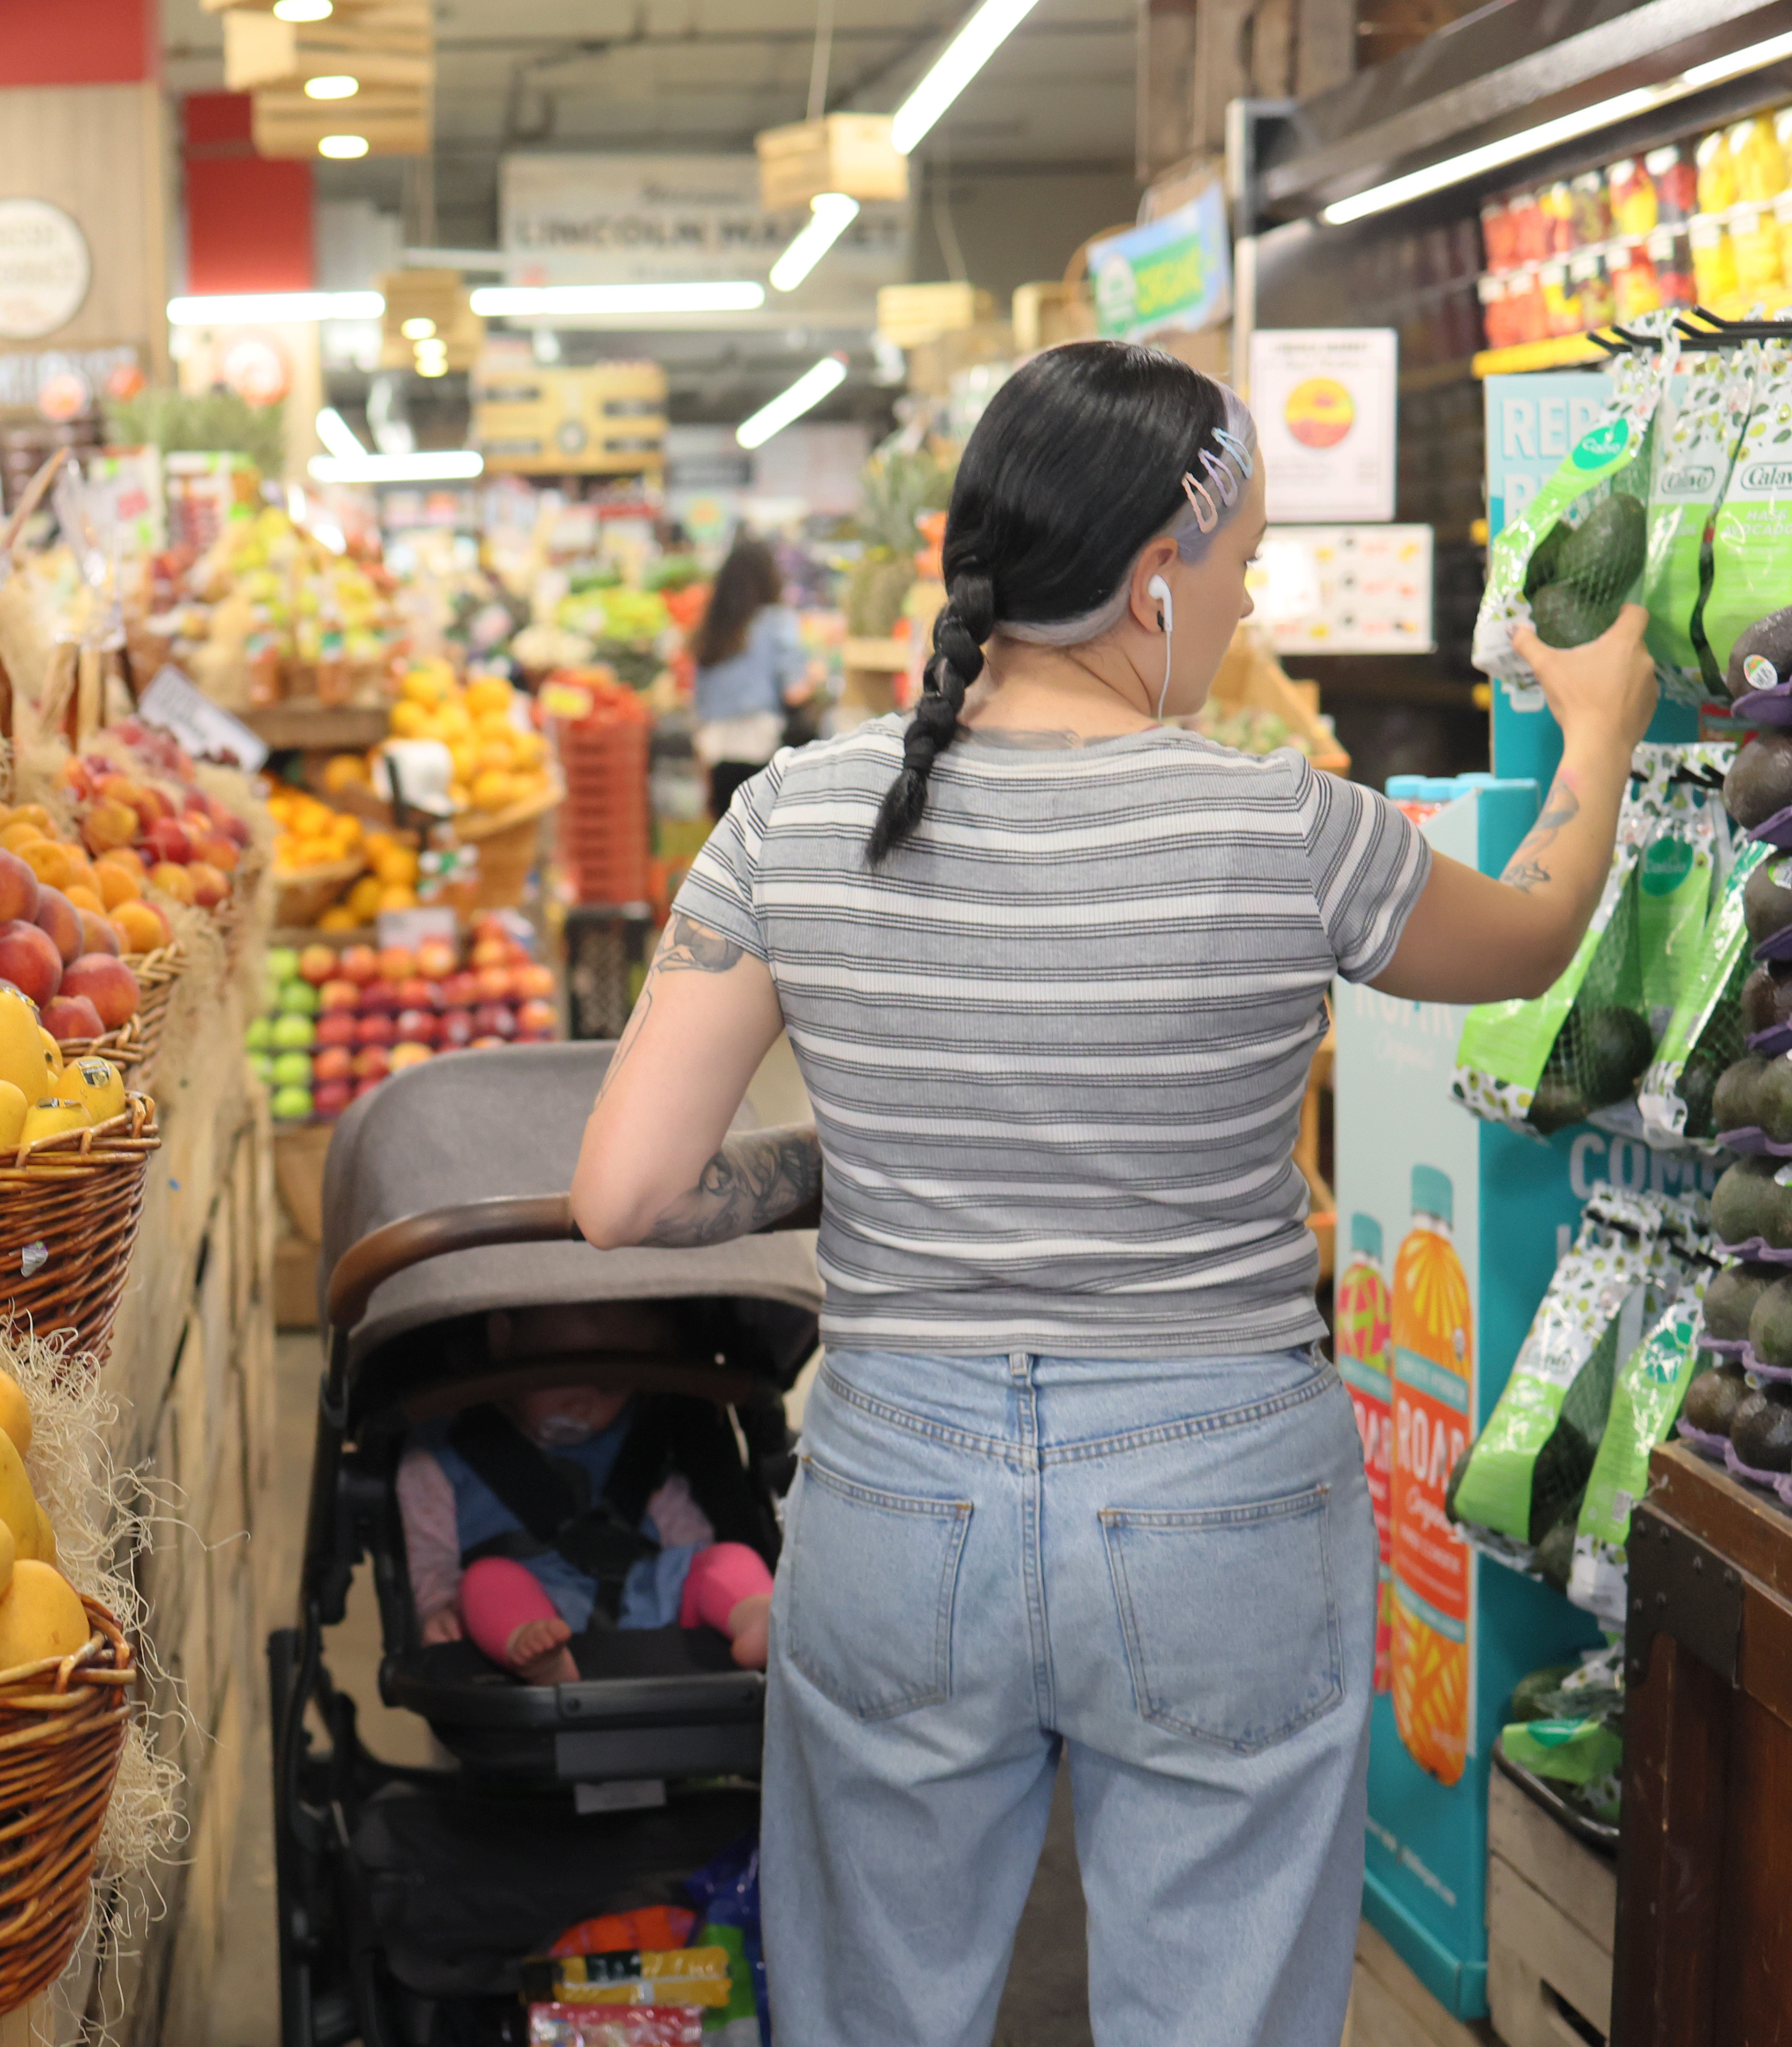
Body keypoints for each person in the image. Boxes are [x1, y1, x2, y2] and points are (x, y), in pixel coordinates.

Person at [567, 338, 1657, 2047]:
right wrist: (1591, 721)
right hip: (1218, 1492)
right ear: (1153, 578)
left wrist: (865, 1157)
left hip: (893, 1494)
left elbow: (623, 1192)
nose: (1233, 610)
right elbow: (1524, 930)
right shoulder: (1279, 824)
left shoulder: (792, 812)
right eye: (1231, 573)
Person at [399, 1379, 775, 1684]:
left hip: (651, 1593)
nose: (582, 1405)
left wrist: (708, 1581)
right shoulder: (440, 1449)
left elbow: (685, 1537)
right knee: (481, 1581)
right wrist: (437, 1606)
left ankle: (754, 1615)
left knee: (729, 1558)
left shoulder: (643, 1436)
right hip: (533, 1598)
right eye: (561, 1378)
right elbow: (430, 1553)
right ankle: (533, 1651)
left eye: (609, 1387)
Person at [689, 537, 818, 817]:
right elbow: (794, 691)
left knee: (729, 843)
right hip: (764, 746)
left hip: (717, 751)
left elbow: (697, 702)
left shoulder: (712, 631)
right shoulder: (776, 622)